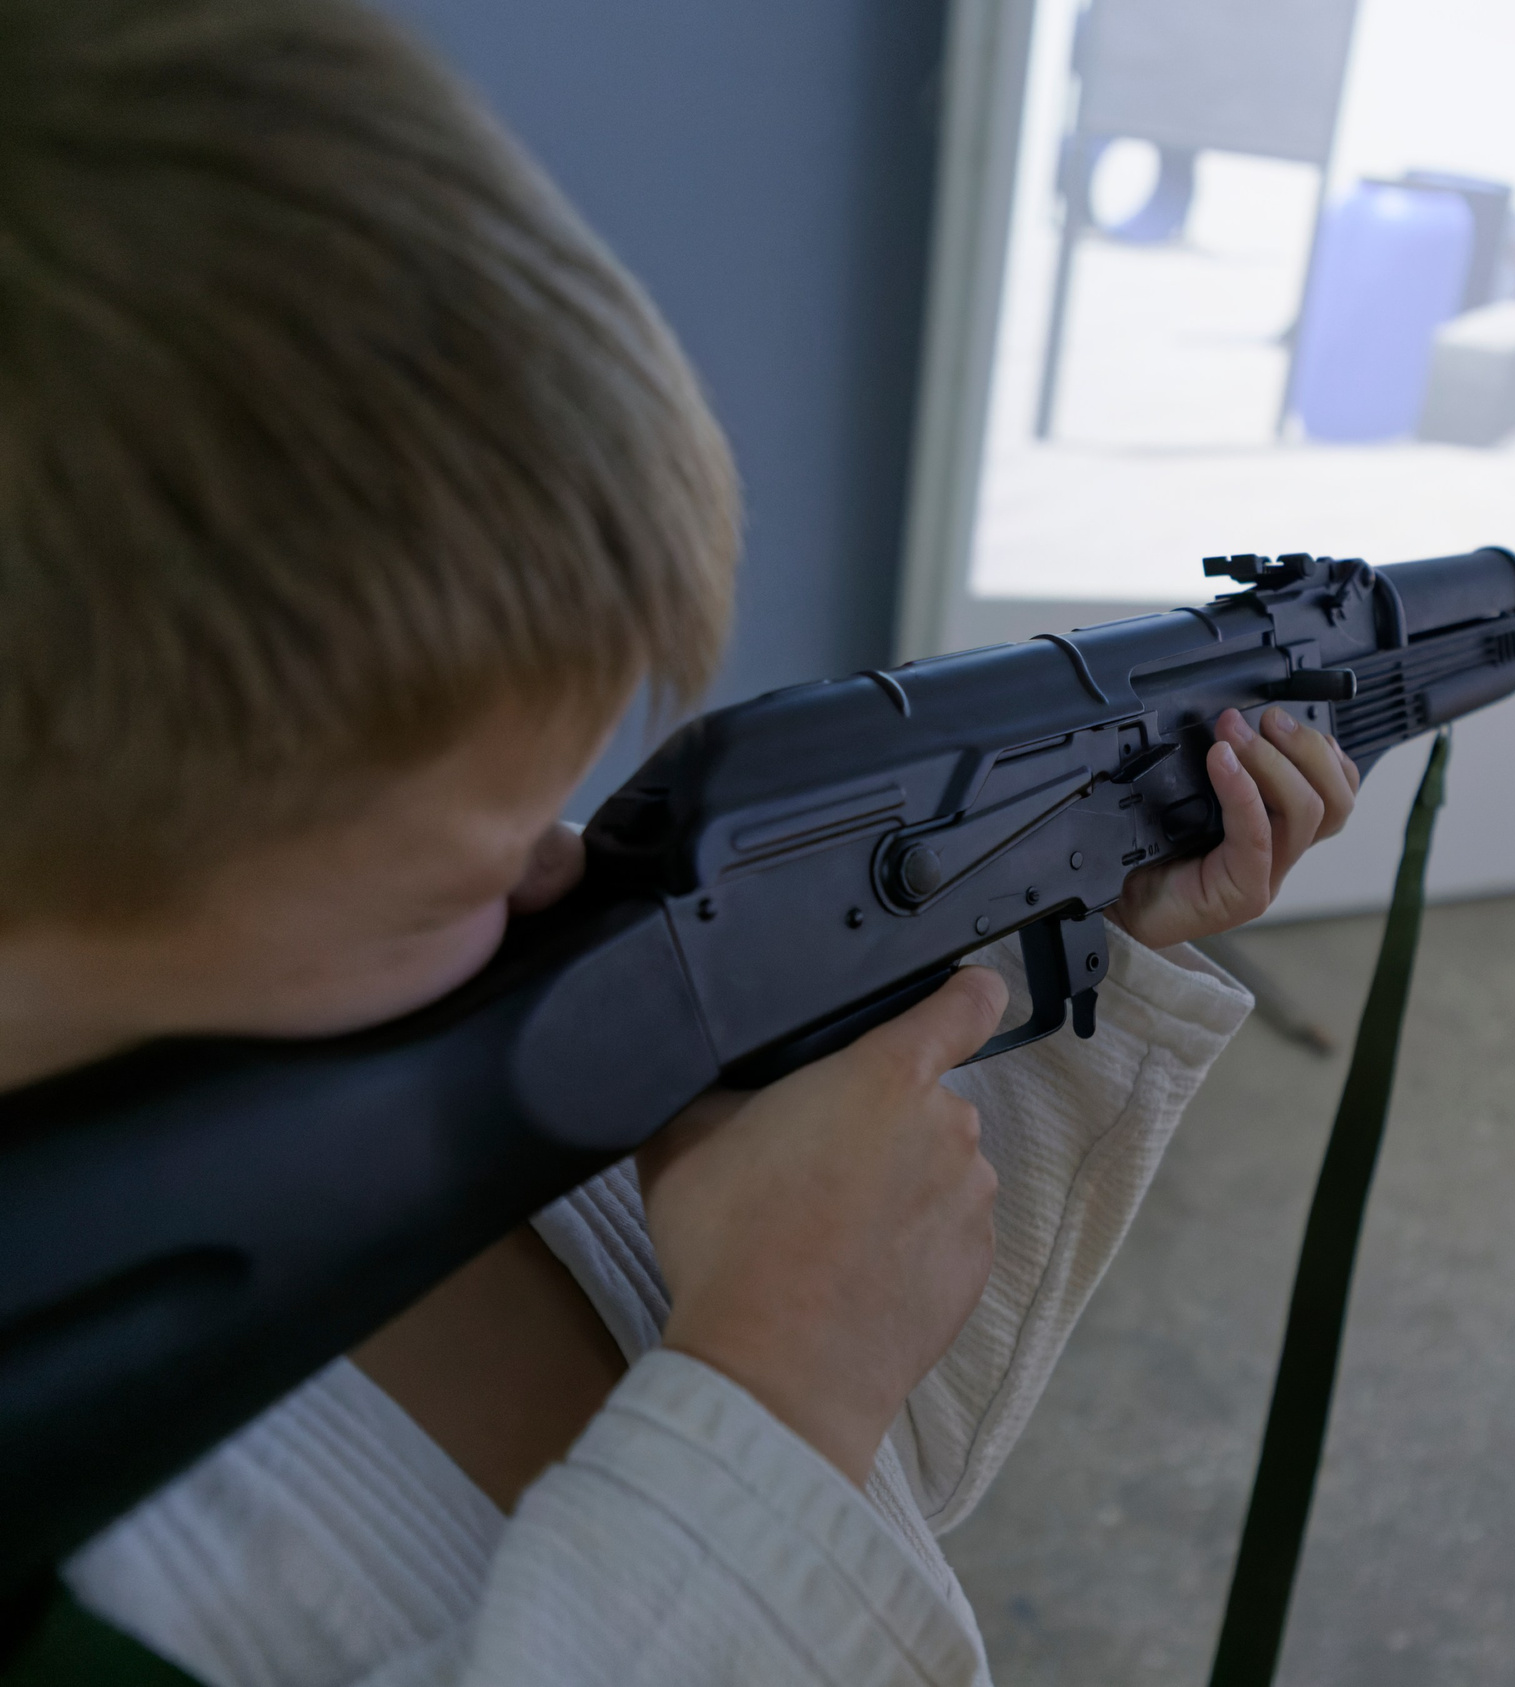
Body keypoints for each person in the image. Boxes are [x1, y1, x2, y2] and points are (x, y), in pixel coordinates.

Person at [0, 2, 1359, 1681]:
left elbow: (872, 1482)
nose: (559, 870)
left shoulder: (400, 1048)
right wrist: (774, 1379)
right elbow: (789, 1443)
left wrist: (1100, 933)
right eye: (461, 867)